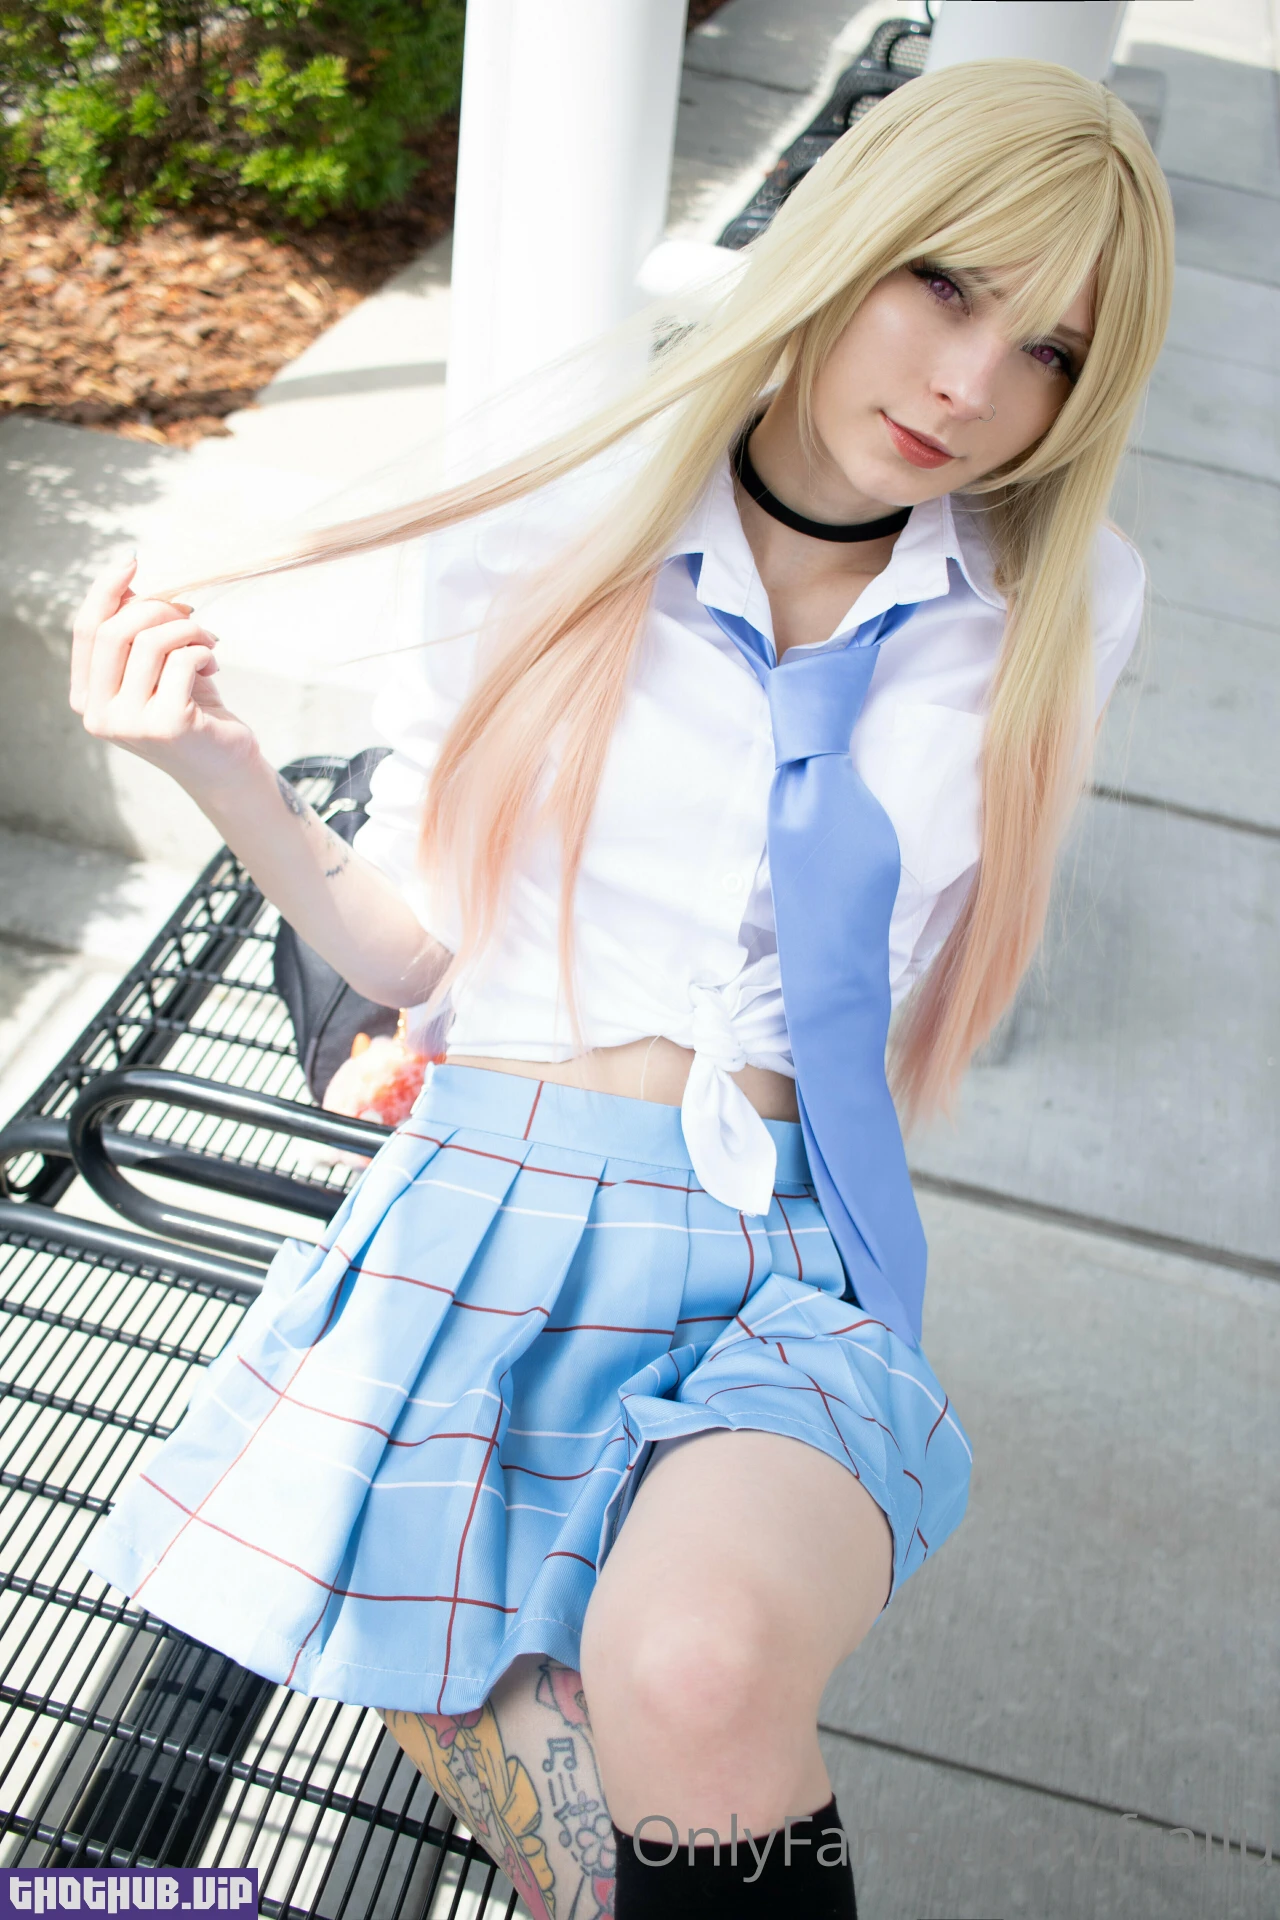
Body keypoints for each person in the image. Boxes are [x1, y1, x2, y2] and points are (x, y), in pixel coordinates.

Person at [70, 59, 1172, 1920]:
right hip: (489, 1243)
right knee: (610, 1870)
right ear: (849, 242)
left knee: (703, 1671)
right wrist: (221, 774)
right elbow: (421, 947)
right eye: (946, 286)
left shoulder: (1059, 601)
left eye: (1051, 352)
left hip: (786, 1260)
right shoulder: (563, 500)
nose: (973, 385)